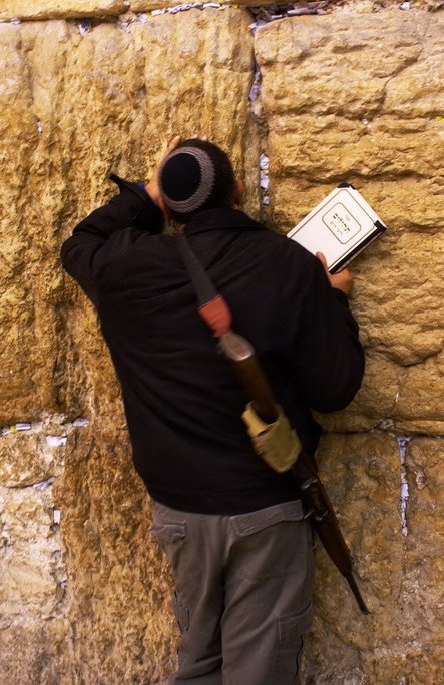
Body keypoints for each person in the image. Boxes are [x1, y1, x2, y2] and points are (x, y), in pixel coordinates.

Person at [61, 135, 364, 685]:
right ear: (240, 190)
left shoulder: (122, 268)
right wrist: (334, 297)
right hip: (265, 504)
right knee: (259, 670)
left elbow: (80, 241)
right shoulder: (288, 265)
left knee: (197, 663)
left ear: (170, 205)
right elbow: (335, 388)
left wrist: (149, 193)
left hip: (178, 510)